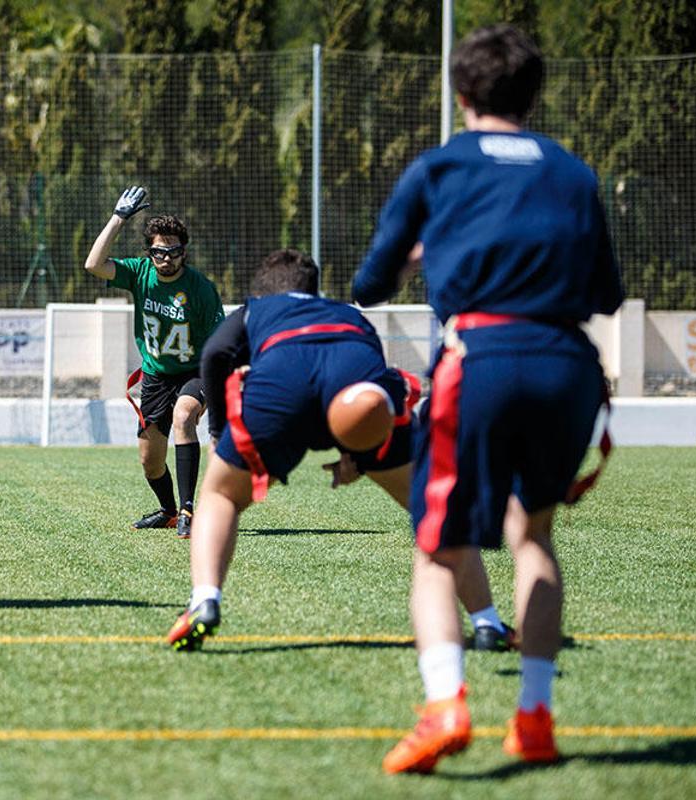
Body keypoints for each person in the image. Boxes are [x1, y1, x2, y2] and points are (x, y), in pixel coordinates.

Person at [352, 25, 624, 773]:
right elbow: (607, 293)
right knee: (532, 537)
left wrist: (420, 255)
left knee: (439, 548)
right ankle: (534, 718)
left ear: (460, 93)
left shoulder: (441, 168)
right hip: (567, 362)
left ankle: (446, 706)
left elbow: (371, 282)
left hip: (481, 357)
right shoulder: (573, 172)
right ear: (534, 95)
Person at [166, 249, 513, 653]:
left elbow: (215, 354)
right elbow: (374, 379)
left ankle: (204, 600)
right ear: (314, 292)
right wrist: (357, 456)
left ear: (261, 292)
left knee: (221, 496)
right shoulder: (349, 314)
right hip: (357, 390)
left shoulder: (254, 310)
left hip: (281, 386)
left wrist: (221, 432)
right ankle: (487, 622)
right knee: (437, 507)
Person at [84, 186, 225, 538]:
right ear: (150, 252)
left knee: (183, 419)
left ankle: (189, 510)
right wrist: (118, 218)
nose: (166, 258)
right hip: (156, 376)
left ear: (184, 251)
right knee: (150, 461)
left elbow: (222, 343)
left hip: (196, 371)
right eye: (159, 251)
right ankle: (168, 511)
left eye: (173, 251)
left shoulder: (201, 289)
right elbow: (93, 264)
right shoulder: (139, 273)